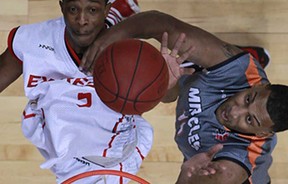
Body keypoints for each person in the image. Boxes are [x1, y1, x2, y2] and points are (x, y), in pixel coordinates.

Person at [79, 10, 288, 184]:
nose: (234, 111)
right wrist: (112, 36)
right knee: (203, 58)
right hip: (226, 68)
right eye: (248, 99)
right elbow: (164, 25)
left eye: (249, 119)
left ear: (263, 133)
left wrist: (185, 178)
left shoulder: (237, 163)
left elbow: (218, 178)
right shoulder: (240, 72)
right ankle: (238, 55)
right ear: (258, 85)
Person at [0, 0, 152, 183]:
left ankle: (119, 15)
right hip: (100, 147)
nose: (81, 19)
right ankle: (121, 14)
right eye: (73, 9)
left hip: (73, 145)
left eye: (92, 10)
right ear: (61, 7)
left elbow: (167, 94)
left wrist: (168, 79)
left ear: (104, 9)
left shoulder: (124, 53)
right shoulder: (33, 40)